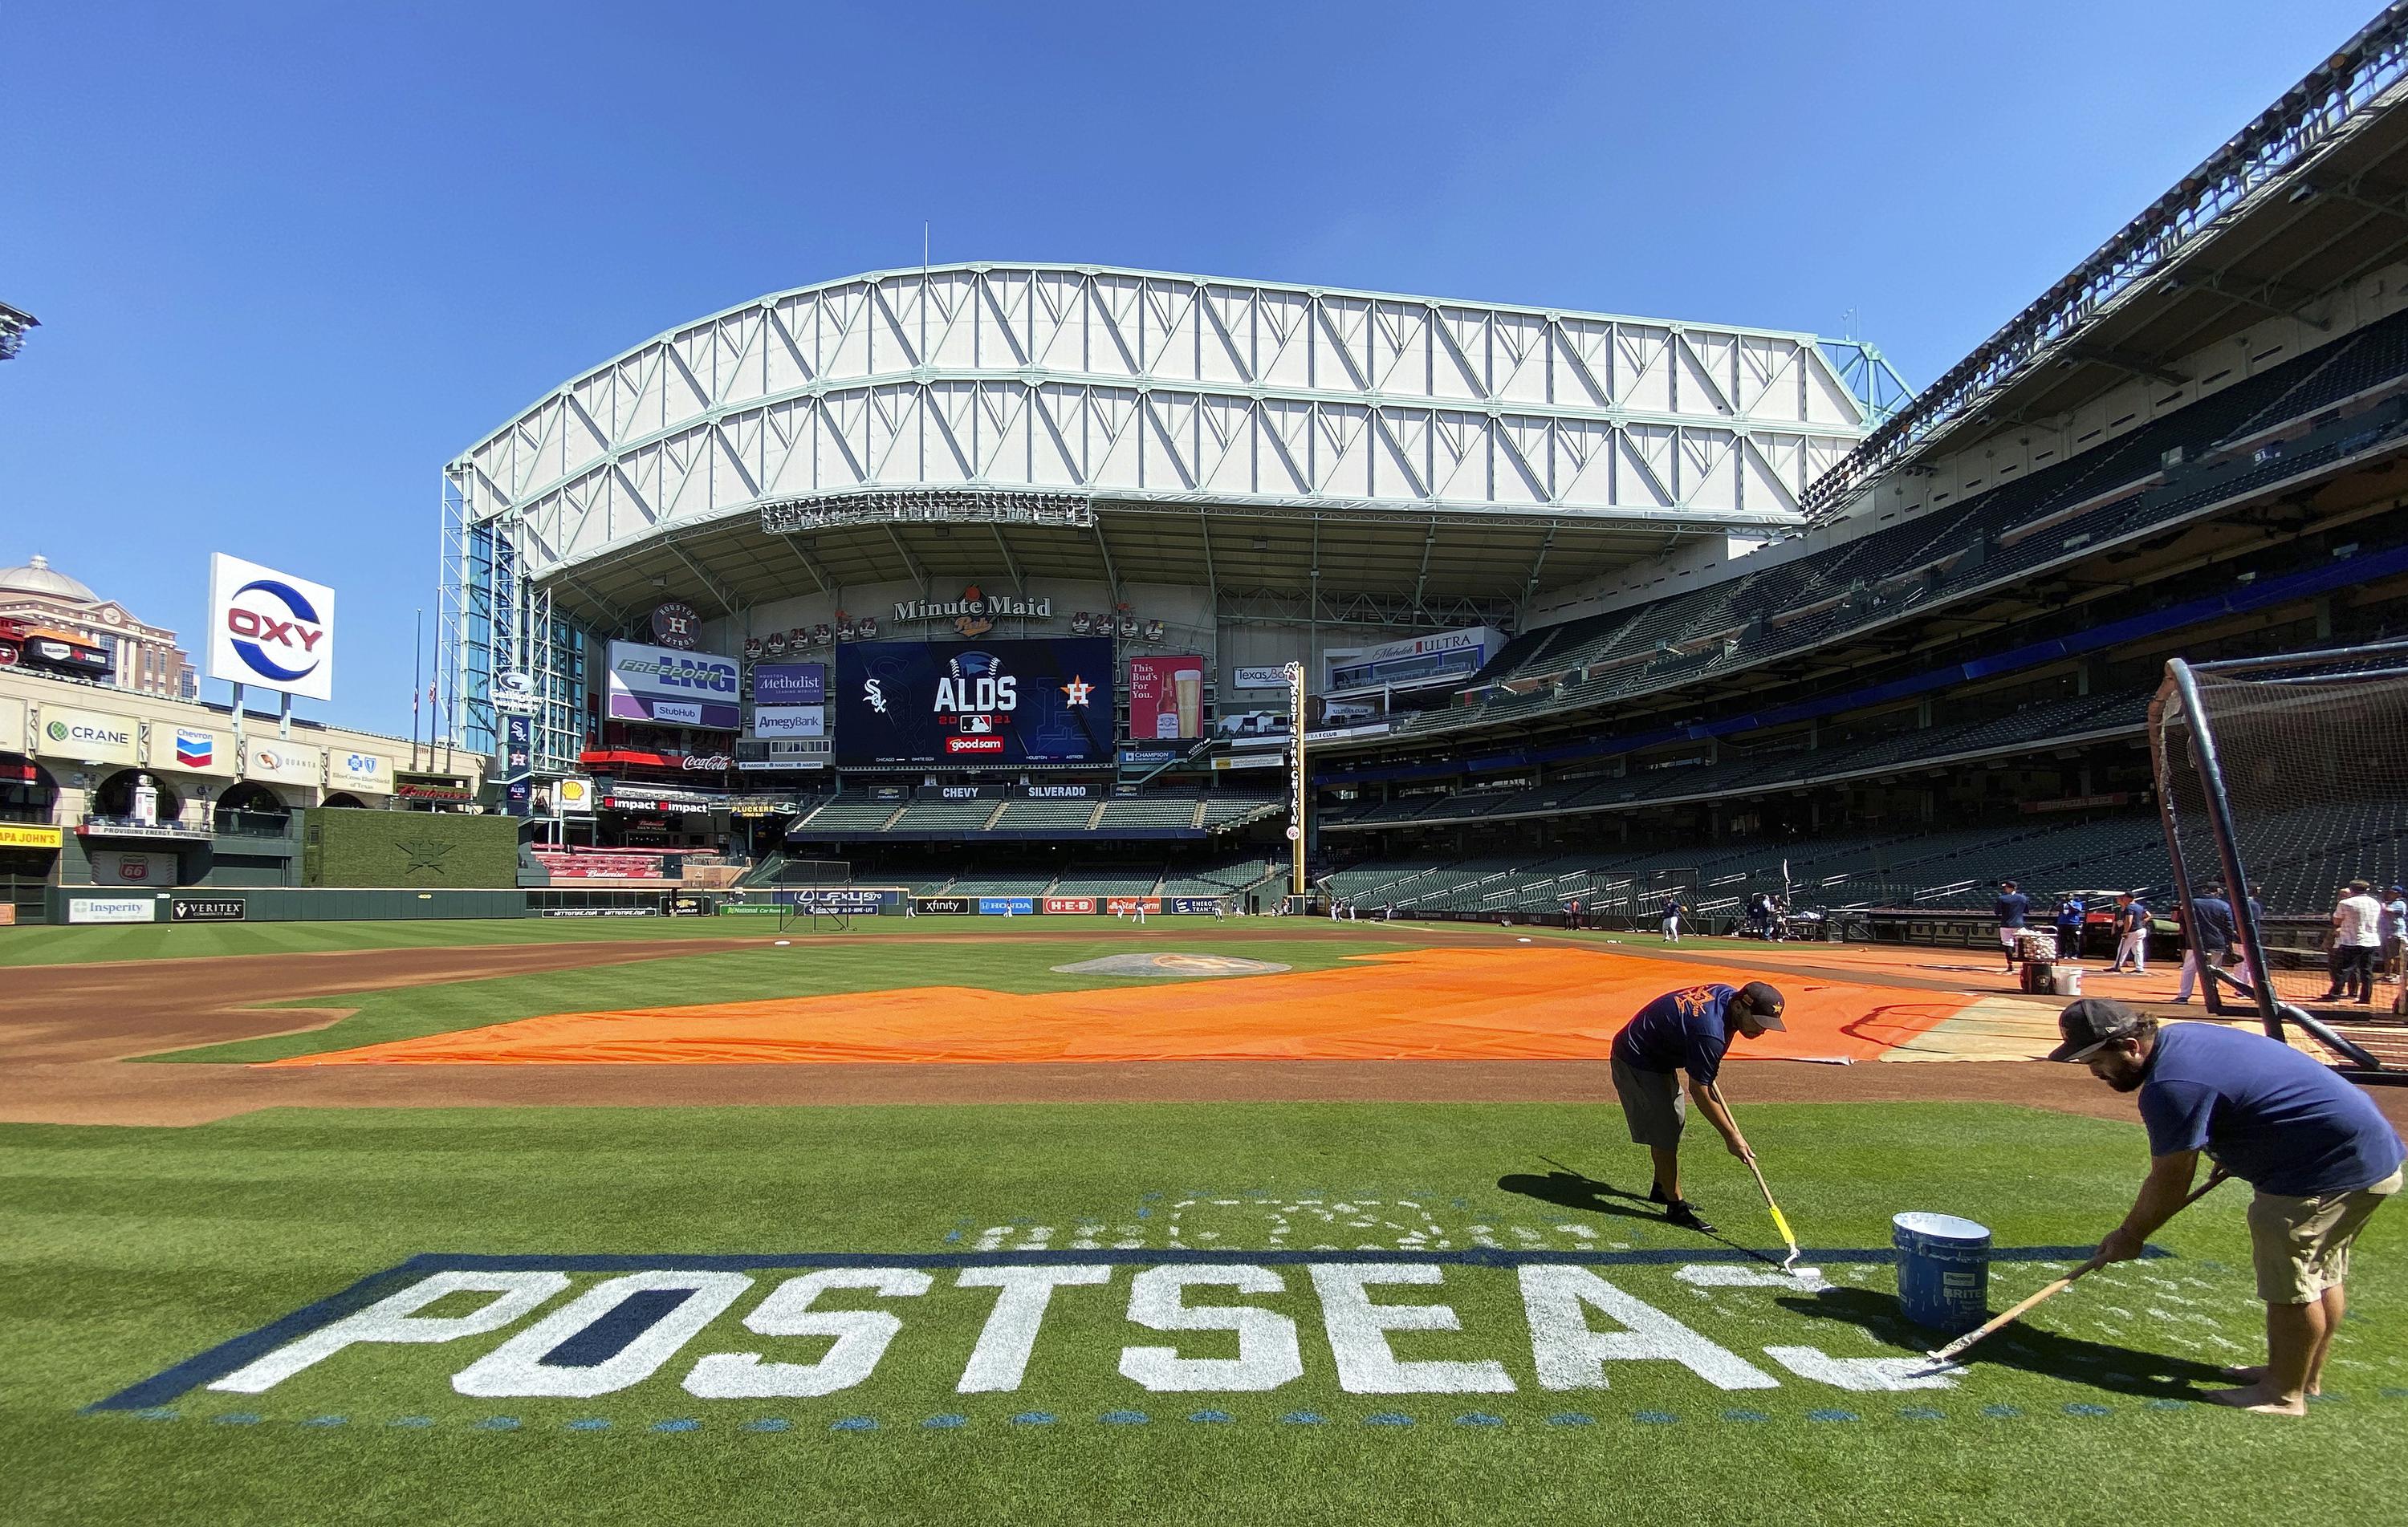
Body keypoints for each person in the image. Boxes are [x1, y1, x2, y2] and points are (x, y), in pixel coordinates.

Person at [2051, 997, 2403, 1415]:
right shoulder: (2183, 1036)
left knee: (2292, 1284)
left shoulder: (2171, 1087)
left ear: (2130, 1045)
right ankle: (2304, 1376)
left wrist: (2131, 1236)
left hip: (2321, 1177)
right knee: (2320, 1273)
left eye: (2096, 1059)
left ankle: (2283, 1392)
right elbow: (2249, 1095)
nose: (2094, 1073)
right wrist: (2234, 1153)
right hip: (2371, 1161)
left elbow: (2171, 1177)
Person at [1609, 981, 1788, 1233]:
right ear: (1739, 1008)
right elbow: (1700, 1091)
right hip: (1637, 1057)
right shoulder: (1710, 1032)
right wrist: (1732, 1137)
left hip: (1661, 1052)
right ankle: (1676, 1207)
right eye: (1759, 1022)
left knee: (1675, 1119)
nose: (1762, 1031)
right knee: (1664, 1130)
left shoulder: (1727, 997)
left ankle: (1662, 1186)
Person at [2173, 883, 2238, 1005]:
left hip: (2196, 941)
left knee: (2189, 969)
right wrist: (2229, 943)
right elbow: (2228, 927)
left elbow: (2182, 921)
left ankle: (2183, 996)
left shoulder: (2193, 903)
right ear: (2217, 892)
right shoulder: (2224, 905)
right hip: (2217, 942)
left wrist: (2187, 935)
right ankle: (2213, 997)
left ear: (2204, 890)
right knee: (2215, 970)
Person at [2321, 880, 2383, 1005]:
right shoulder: (2375, 903)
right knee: (2366, 970)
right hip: (2371, 940)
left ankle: (2335, 994)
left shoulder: (2346, 903)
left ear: (2352, 889)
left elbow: (2337, 921)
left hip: (2351, 941)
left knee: (2344, 969)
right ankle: (2365, 997)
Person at [1995, 879, 2032, 970]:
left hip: (2005, 924)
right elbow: (2027, 911)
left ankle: (2010, 964)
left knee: (2008, 944)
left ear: (2010, 888)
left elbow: (1997, 912)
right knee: (2021, 944)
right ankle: (2024, 964)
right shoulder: (2023, 898)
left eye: (2006, 887)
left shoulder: (2002, 898)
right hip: (2018, 924)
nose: (2005, 889)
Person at [2110, 891, 2149, 975]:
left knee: (2122, 949)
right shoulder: (2139, 907)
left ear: (2128, 898)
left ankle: (2117, 967)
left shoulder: (2129, 907)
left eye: (2124, 897)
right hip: (2141, 930)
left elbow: (2129, 920)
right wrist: (2142, 922)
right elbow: (2148, 915)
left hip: (2133, 931)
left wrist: (2125, 931)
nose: (2123, 898)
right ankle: (2139, 968)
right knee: (2138, 950)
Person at [2383, 885, 2407, 985]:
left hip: (2396, 933)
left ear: (2398, 894)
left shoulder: (2400, 903)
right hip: (2387, 933)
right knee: (2388, 956)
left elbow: (2387, 910)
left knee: (2397, 956)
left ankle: (2398, 976)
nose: (2389, 894)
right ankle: (2387, 975)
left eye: (2392, 893)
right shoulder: (2391, 903)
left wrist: (2382, 904)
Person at [2055, 892, 2087, 960]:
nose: (2068, 898)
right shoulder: (2062, 904)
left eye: (2069, 896)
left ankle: (2074, 954)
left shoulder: (2077, 904)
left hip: (2073, 923)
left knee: (2074, 939)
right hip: (2063, 923)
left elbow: (2076, 910)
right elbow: (2056, 908)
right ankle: (2064, 953)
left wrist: (2069, 904)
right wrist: (2062, 903)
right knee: (2063, 939)